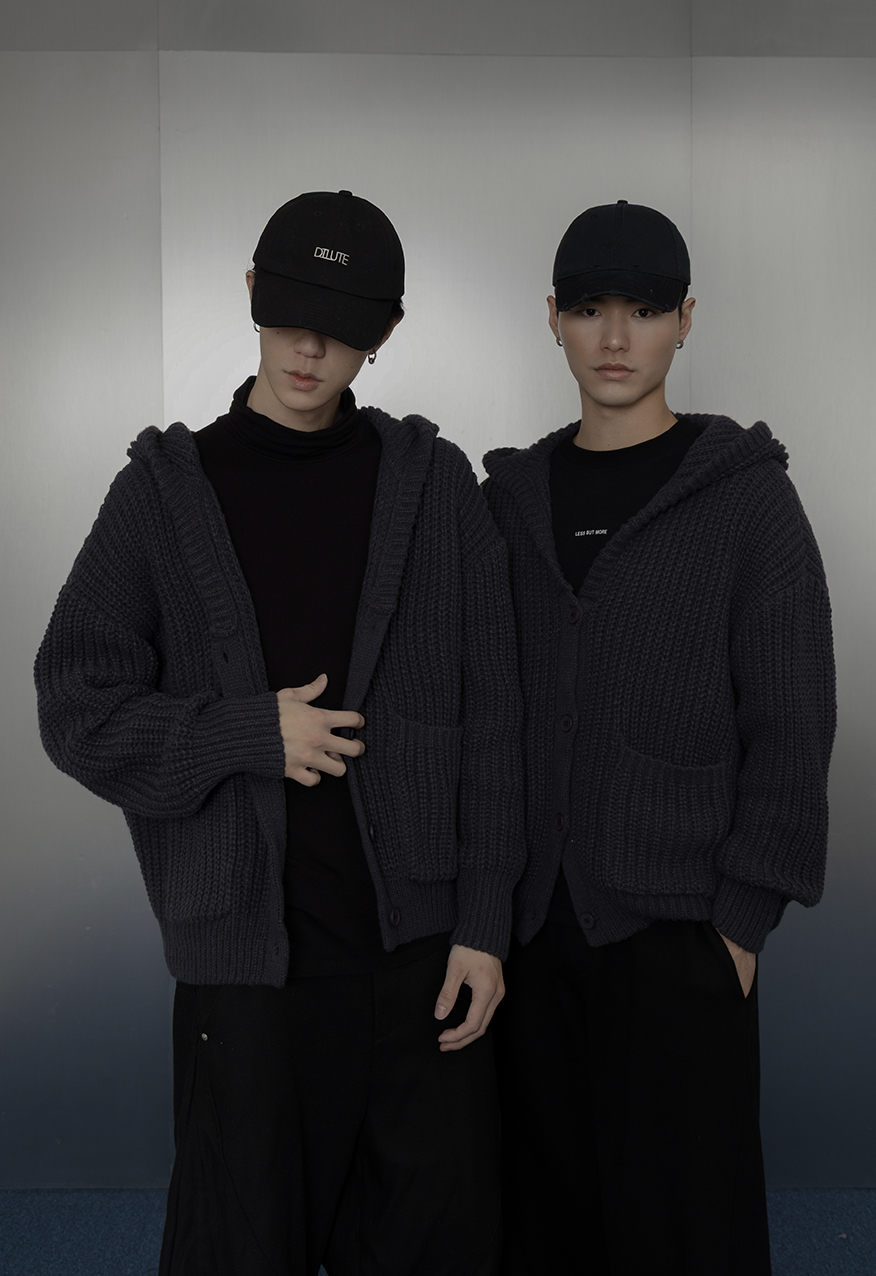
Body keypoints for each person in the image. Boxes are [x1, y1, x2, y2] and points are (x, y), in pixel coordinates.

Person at [35, 189, 523, 1276]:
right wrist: (247, 736)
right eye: (291, 313)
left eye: (341, 326)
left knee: (439, 1246)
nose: (309, 348)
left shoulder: (436, 488)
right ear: (252, 292)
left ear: (384, 331)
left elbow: (496, 716)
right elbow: (75, 705)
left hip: (420, 965)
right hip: (248, 977)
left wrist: (485, 923)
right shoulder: (163, 497)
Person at [482, 199, 836, 1275]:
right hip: (532, 933)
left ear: (686, 319)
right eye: (590, 308)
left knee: (685, 1231)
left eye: (643, 310)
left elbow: (793, 720)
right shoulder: (508, 502)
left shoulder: (746, 503)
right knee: (544, 1224)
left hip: (683, 934)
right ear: (551, 317)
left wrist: (740, 923)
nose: (615, 337)